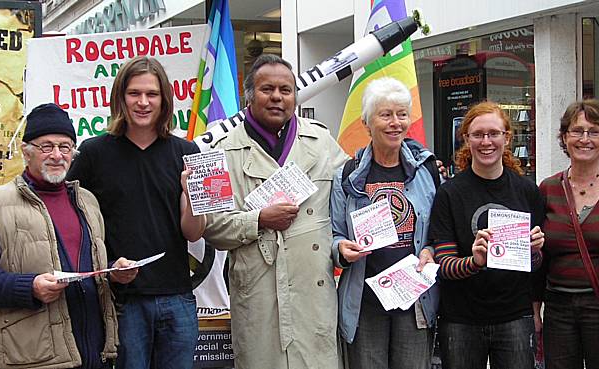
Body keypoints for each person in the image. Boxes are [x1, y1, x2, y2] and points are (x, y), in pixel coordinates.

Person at [202, 54, 349, 369]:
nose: (277, 97)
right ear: (250, 96)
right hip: (258, 294)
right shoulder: (223, 151)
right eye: (267, 89)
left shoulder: (321, 141)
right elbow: (212, 228)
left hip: (313, 294)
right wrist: (258, 220)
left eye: (286, 89)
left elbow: (352, 198)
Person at [66, 56, 206, 369]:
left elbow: (194, 232)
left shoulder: (186, 152)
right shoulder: (93, 153)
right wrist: (107, 266)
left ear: (164, 100)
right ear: (120, 98)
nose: (143, 102)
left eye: (151, 94)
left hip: (178, 296)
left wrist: (192, 193)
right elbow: (72, 224)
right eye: (134, 93)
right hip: (120, 301)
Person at [0, 103, 138, 369]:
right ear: (26, 152)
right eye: (46, 146)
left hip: (95, 353)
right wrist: (30, 287)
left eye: (65, 146)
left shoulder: (88, 202)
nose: (57, 155)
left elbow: (95, 269)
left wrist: (115, 274)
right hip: (35, 358)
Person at [330, 77, 440, 369]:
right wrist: (341, 248)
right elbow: (335, 233)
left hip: (414, 299)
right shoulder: (347, 174)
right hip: (365, 303)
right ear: (367, 123)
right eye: (386, 114)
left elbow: (440, 230)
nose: (395, 123)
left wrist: (430, 250)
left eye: (402, 114)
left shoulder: (426, 170)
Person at [428, 101, 545, 369]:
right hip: (460, 319)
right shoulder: (449, 193)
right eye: (478, 135)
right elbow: (443, 264)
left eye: (494, 133)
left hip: (515, 315)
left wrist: (534, 252)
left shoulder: (527, 191)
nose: (486, 141)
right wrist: (475, 261)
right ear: (466, 139)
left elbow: (537, 266)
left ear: (507, 138)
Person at [539, 99, 599, 369]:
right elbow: (540, 255)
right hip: (558, 304)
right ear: (565, 137)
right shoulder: (548, 188)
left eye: (594, 132)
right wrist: (535, 307)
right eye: (577, 131)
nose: (585, 139)